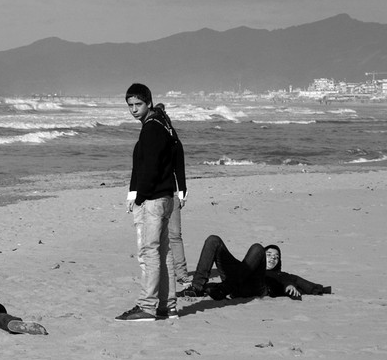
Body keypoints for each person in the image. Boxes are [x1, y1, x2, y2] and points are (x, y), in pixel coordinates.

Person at [117, 83, 179, 322]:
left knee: (150, 252)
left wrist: (140, 196)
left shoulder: (152, 129)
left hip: (154, 199)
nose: (133, 109)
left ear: (149, 103)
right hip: (165, 197)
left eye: (138, 104)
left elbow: (150, 169)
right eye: (130, 105)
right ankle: (168, 305)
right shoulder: (162, 125)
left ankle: (147, 306)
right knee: (162, 252)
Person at [179, 236, 332, 301]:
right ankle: (196, 287)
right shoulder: (250, 263)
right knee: (213, 240)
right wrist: (207, 288)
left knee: (257, 247)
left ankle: (226, 288)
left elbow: (293, 281)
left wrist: (317, 289)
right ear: (261, 258)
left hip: (256, 287)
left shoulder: (281, 274)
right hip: (238, 278)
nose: (272, 258)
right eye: (269, 254)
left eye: (276, 257)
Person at [152, 102, 191, 288]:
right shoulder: (174, 138)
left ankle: (173, 274)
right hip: (173, 192)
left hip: (164, 193)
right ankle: (181, 275)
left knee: (162, 236)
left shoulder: (161, 137)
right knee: (174, 235)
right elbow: (180, 168)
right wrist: (183, 191)